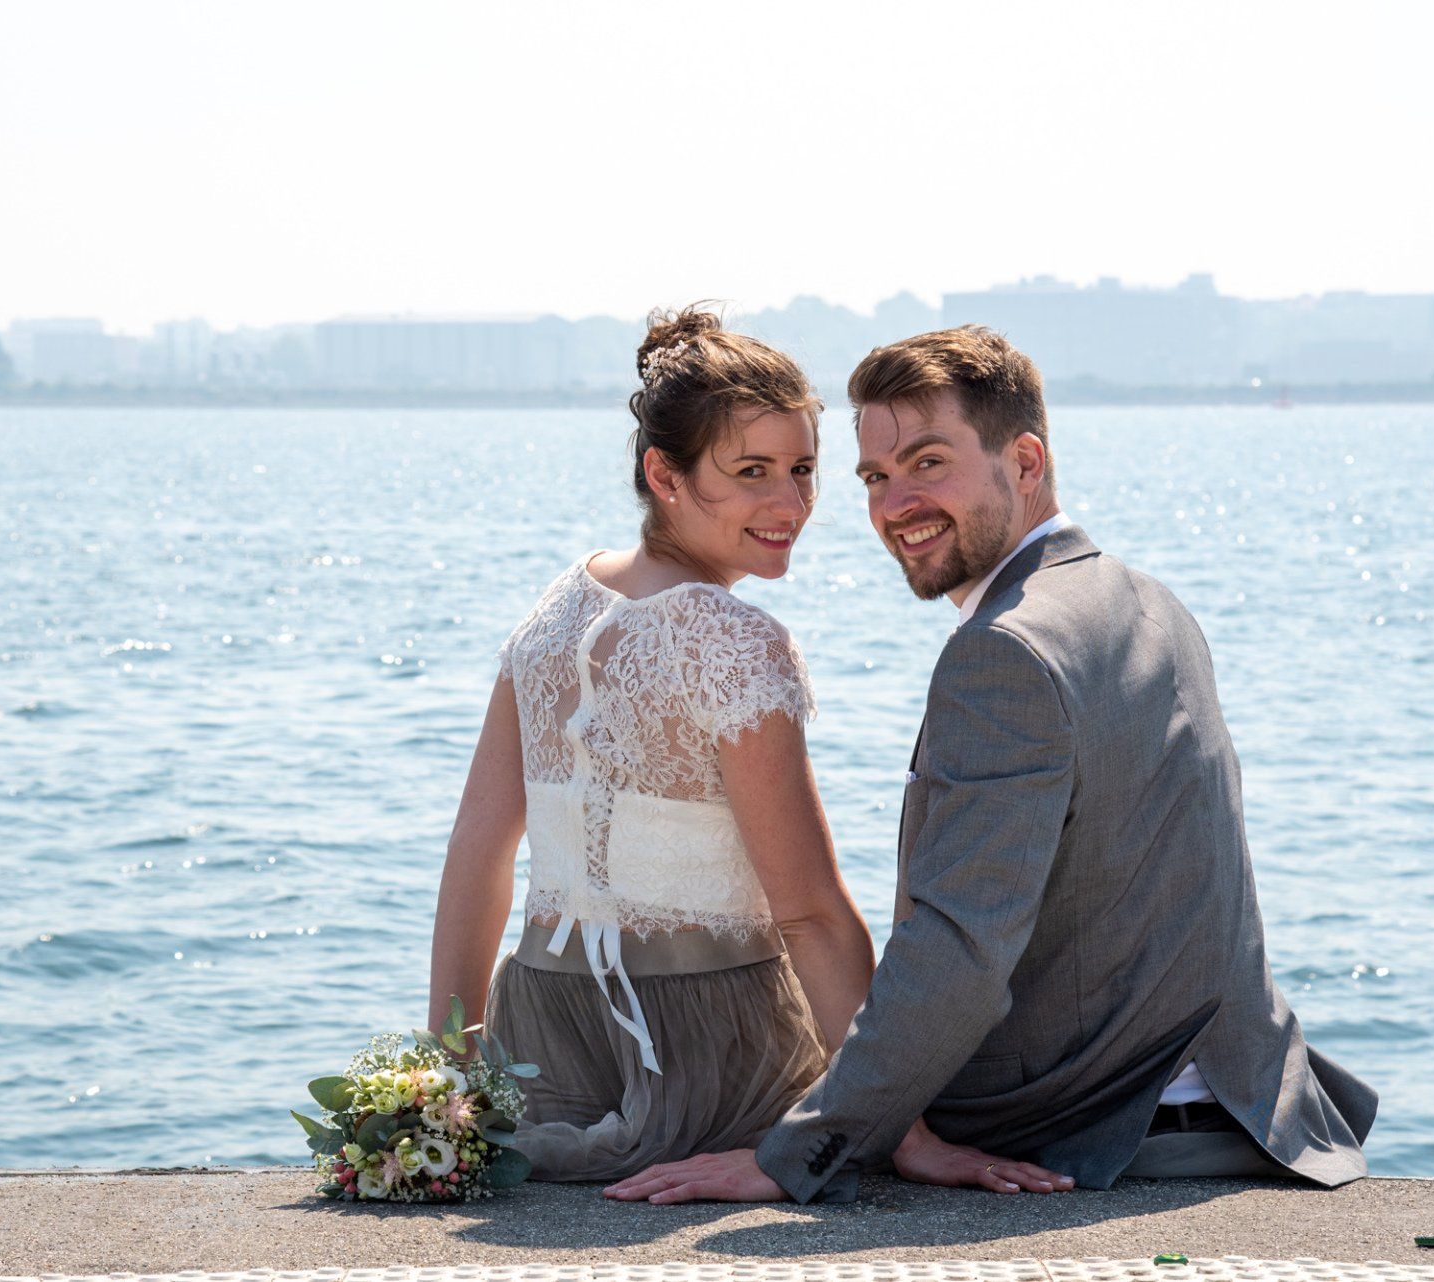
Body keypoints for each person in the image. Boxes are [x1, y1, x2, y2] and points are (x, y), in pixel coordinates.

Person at [605, 325, 1378, 1205]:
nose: (897, 504)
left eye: (928, 463)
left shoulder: (1004, 651)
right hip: (1250, 1116)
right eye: (874, 477)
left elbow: (961, 946)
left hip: (1096, 1141)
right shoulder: (1149, 604)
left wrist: (801, 1153)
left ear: (1025, 461)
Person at [427, 309, 1062, 1190]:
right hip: (701, 1047)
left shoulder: (551, 613)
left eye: (803, 471)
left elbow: (477, 854)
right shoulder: (731, 638)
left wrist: (452, 1077)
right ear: (665, 475)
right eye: (752, 472)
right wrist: (904, 1134)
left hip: (544, 1045)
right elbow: (810, 911)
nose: (790, 505)